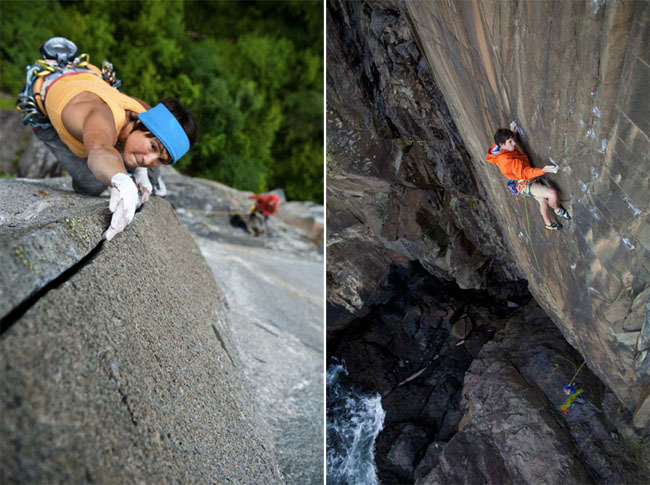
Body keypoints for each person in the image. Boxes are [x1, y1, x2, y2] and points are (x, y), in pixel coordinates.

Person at [16, 37, 196, 240]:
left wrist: (143, 171)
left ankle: (147, 171)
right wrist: (121, 180)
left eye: (162, 159)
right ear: (140, 122)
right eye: (153, 146)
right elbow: (99, 150)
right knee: (93, 183)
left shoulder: (143, 111)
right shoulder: (99, 117)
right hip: (45, 102)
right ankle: (60, 64)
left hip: (92, 80)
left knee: (146, 172)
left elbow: (147, 140)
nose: (149, 158)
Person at [486, 121, 571, 230]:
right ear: (502, 145)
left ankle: (549, 225)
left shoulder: (498, 148)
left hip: (522, 179)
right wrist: (543, 170)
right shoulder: (505, 160)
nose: (514, 143)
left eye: (512, 140)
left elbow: (504, 142)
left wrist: (512, 133)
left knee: (542, 201)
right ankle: (557, 209)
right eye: (510, 142)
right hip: (525, 183)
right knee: (552, 193)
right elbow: (525, 173)